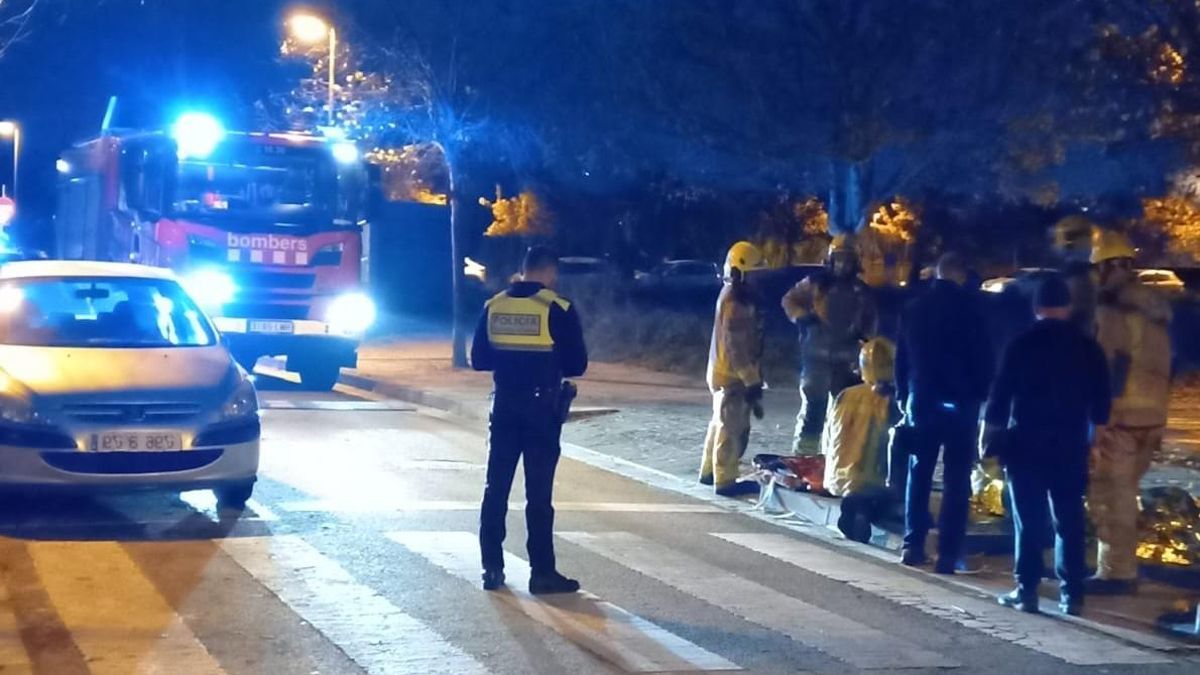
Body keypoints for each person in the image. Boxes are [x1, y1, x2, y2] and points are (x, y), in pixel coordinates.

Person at [983, 274, 1111, 615]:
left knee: (1029, 519)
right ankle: (1073, 594)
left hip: (1026, 441)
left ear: (1037, 307)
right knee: (1069, 518)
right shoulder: (1087, 346)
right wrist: (1095, 435)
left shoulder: (1022, 343)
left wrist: (990, 430)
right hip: (1069, 443)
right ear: (1068, 307)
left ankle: (1027, 589)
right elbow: (1102, 398)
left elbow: (1000, 394)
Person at [471, 246, 588, 594]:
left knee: (496, 489)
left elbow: (478, 359)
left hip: (504, 406)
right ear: (549, 272)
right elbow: (577, 364)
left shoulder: (494, 306)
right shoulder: (558, 307)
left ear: (523, 271)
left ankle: (491, 568)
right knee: (538, 496)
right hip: (541, 410)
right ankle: (542, 573)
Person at [894, 252, 992, 573]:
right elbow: (984, 357)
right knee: (956, 479)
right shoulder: (973, 310)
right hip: (961, 404)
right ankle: (948, 554)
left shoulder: (914, 309)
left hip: (921, 400)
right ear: (961, 274)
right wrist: (980, 395)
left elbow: (902, 358)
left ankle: (913, 544)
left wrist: (902, 394)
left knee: (919, 472)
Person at [1087, 230, 1172, 595]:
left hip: (1120, 419)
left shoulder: (1111, 312)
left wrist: (1098, 417)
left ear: (1105, 268)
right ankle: (1123, 566)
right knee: (1127, 494)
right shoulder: (1154, 312)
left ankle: (1117, 574)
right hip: (1152, 418)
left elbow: (1104, 367)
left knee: (1110, 496)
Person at [782, 234, 877, 454]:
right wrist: (802, 317)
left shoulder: (862, 292)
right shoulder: (816, 283)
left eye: (848, 259)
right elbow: (789, 300)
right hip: (815, 359)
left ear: (855, 262)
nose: (843, 264)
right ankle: (804, 457)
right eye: (839, 258)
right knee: (813, 412)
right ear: (831, 259)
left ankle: (834, 459)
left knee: (844, 414)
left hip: (845, 363)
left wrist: (865, 345)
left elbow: (871, 324)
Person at [699, 241, 766, 497]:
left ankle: (709, 472)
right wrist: (752, 380)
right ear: (739, 272)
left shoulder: (730, 295)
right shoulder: (737, 303)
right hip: (732, 375)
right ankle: (725, 480)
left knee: (719, 423)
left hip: (722, 371)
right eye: (754, 274)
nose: (757, 280)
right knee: (732, 428)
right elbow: (737, 346)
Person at [822, 337, 900, 543]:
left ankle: (855, 503)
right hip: (874, 481)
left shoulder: (845, 395)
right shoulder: (893, 400)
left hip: (837, 478)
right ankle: (864, 509)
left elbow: (829, 436)